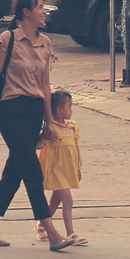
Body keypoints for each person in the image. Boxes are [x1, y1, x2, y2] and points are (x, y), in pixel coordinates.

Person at [0, 0, 75, 251]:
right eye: (40, 7)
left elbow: (45, 84)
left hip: (33, 113)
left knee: (14, 173)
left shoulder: (45, 43)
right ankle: (52, 233)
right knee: (32, 171)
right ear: (25, 12)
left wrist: (49, 121)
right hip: (11, 111)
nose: (44, 11)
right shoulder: (7, 40)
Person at [37, 91, 84, 246]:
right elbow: (39, 146)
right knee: (67, 200)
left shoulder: (72, 128)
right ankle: (71, 233)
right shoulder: (52, 129)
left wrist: (78, 168)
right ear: (58, 110)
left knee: (56, 200)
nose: (71, 110)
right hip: (55, 170)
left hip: (67, 170)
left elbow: (76, 149)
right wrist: (44, 137)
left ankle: (43, 225)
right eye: (69, 106)